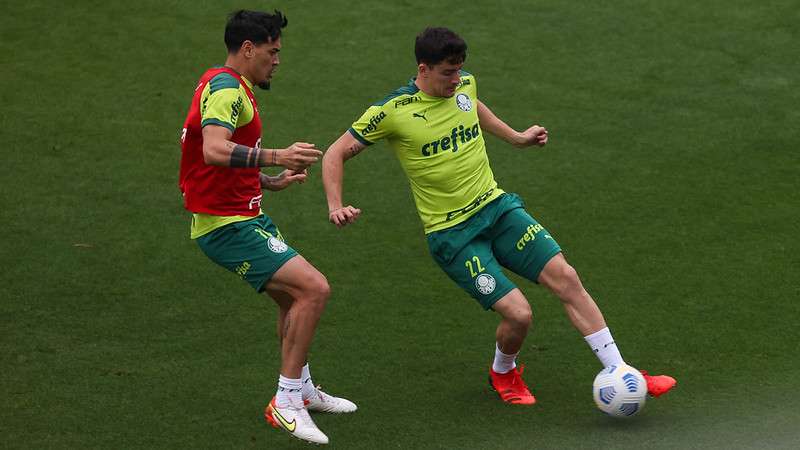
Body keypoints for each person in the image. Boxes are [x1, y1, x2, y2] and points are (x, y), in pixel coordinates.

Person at [322, 27, 675, 406]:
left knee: (566, 277)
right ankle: (503, 371)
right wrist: (335, 204)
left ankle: (620, 370)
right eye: (447, 73)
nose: (456, 80)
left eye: (460, 71)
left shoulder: (464, 86)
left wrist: (516, 137)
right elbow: (335, 152)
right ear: (423, 69)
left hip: (496, 208)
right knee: (519, 315)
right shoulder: (392, 112)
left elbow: (472, 107)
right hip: (452, 234)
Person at [178, 10, 355, 444]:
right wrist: (277, 156)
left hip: (244, 216)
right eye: (273, 52)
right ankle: (286, 400)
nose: (277, 61)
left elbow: (218, 158)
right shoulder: (225, 89)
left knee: (290, 298)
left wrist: (267, 182)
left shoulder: (230, 85)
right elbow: (216, 151)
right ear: (248, 49)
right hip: (227, 227)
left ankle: (302, 389)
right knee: (314, 288)